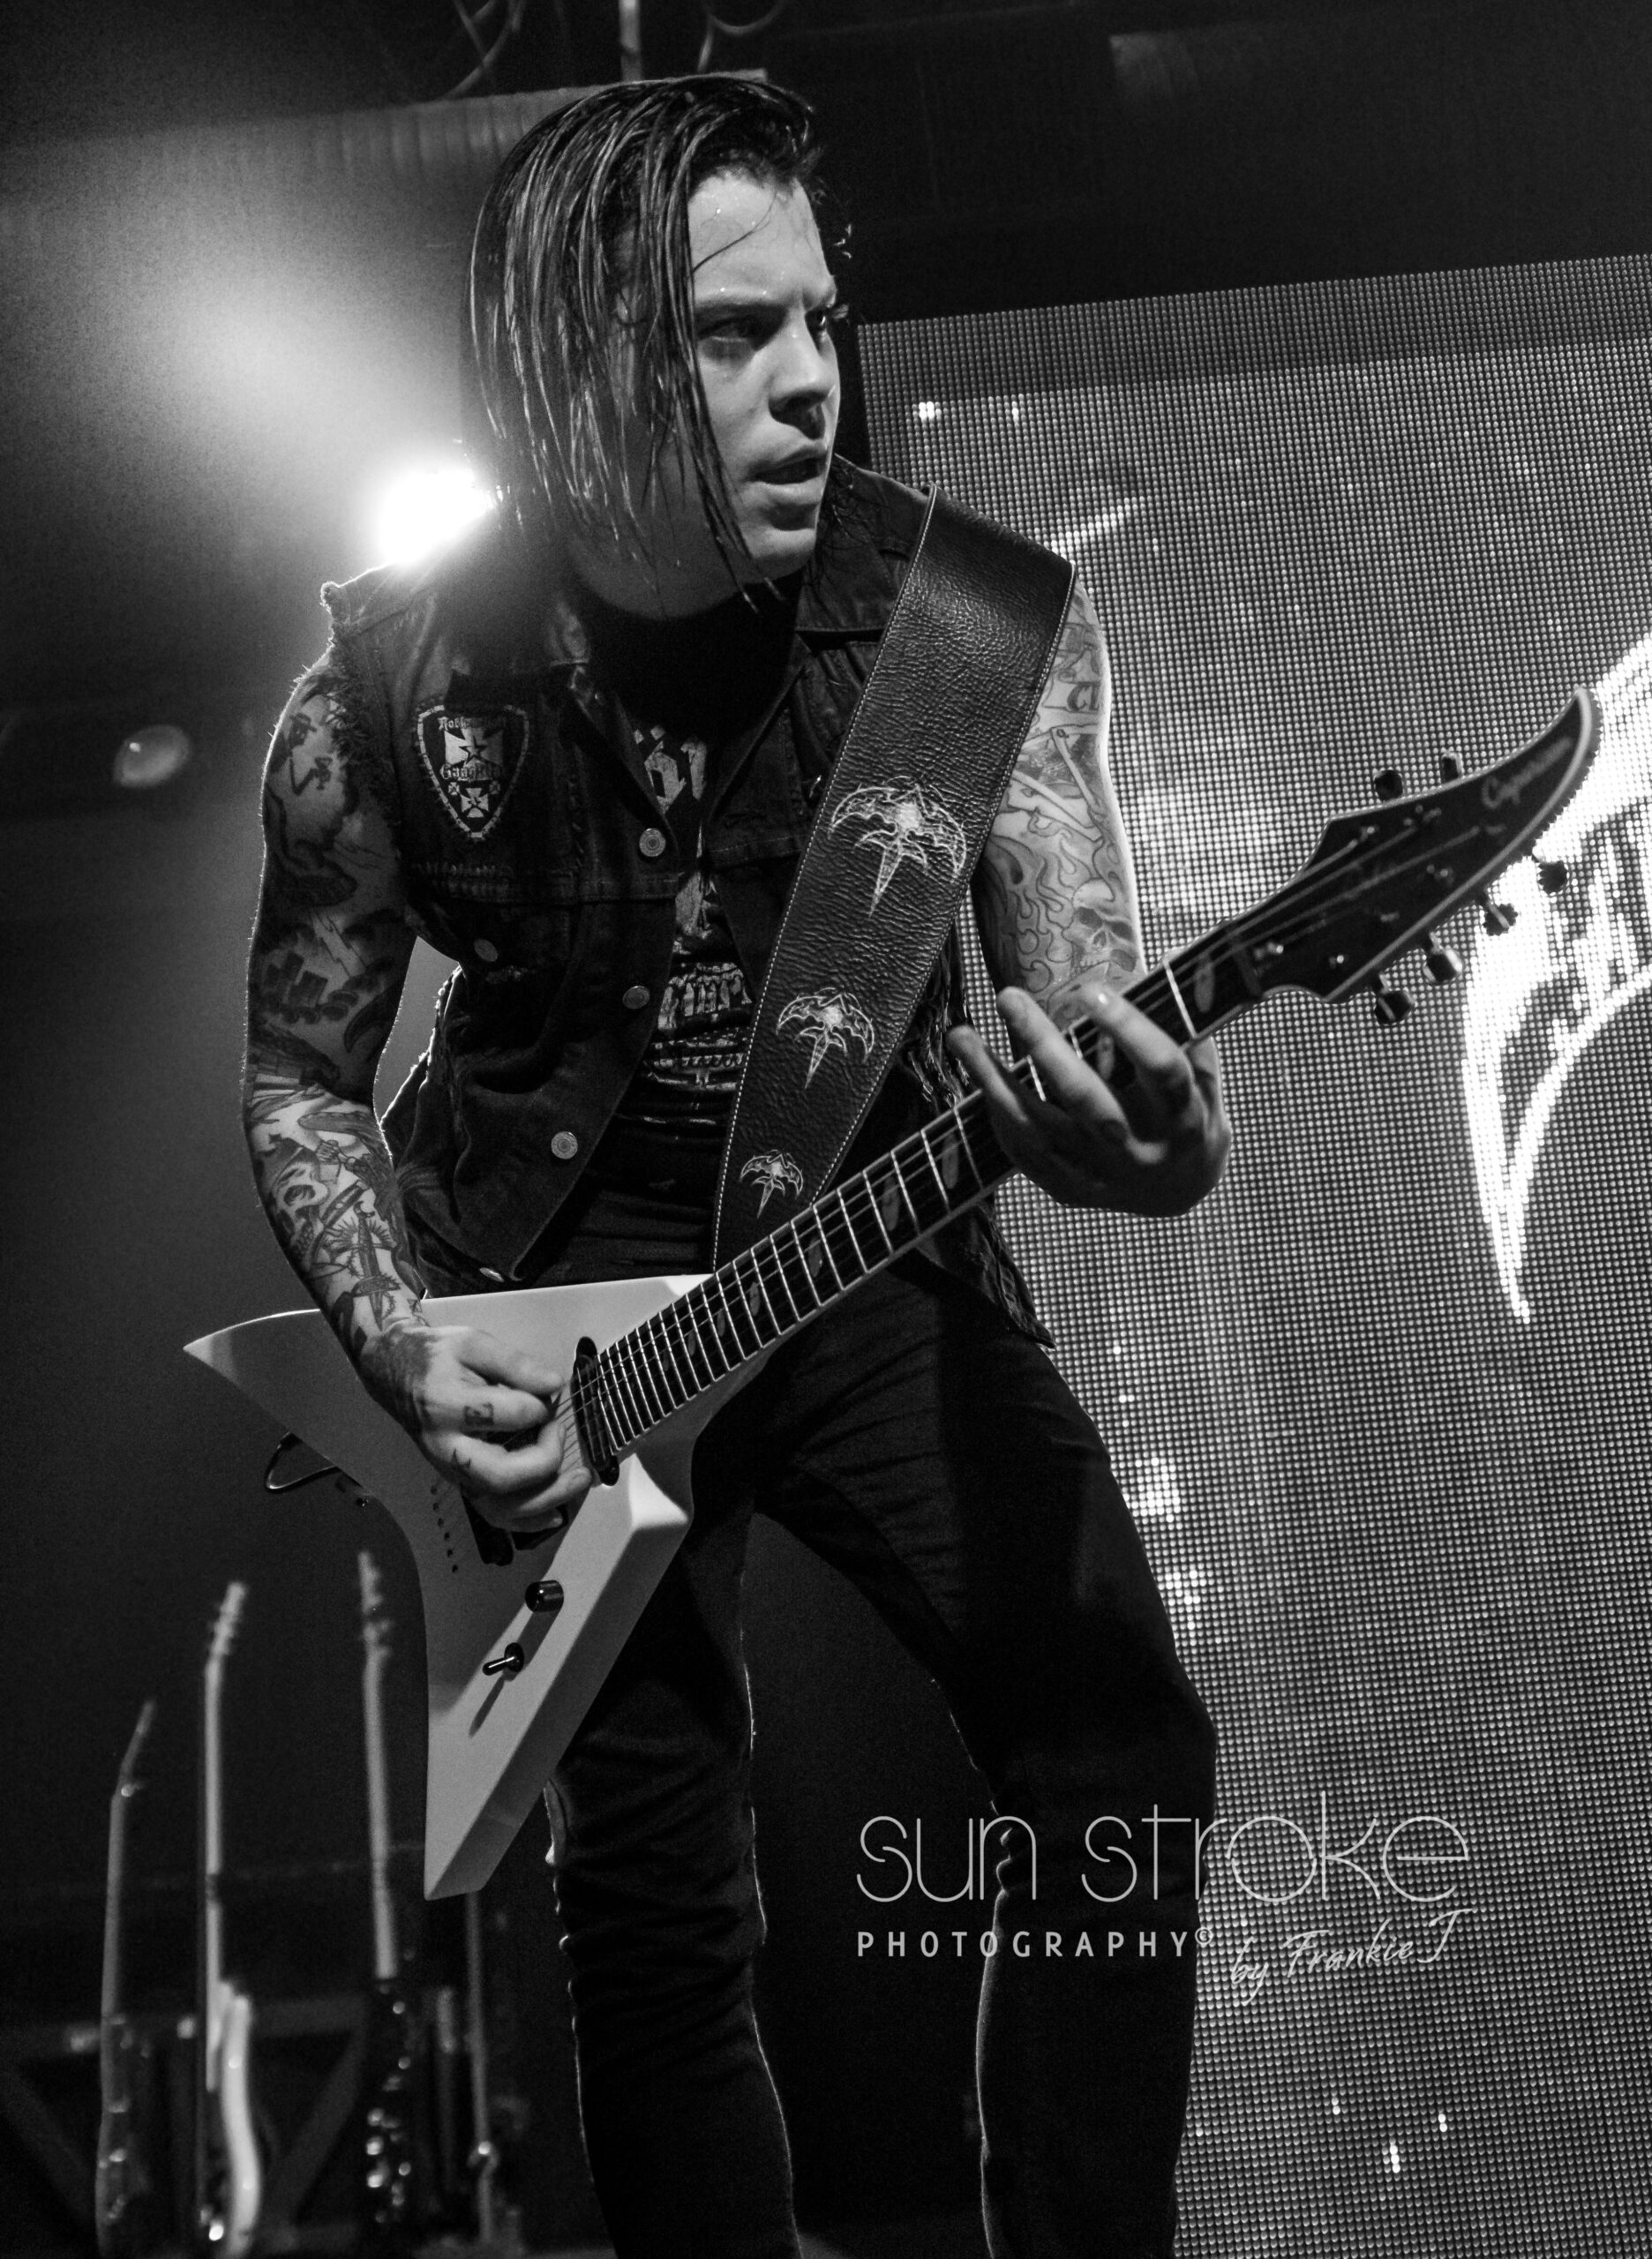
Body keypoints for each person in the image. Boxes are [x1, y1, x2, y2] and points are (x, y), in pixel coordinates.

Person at [242, 76, 1230, 2259]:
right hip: (550, 1296)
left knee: (1118, 1744)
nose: (811, 379)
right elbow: (304, 1075)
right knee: (658, 1900)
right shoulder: (384, 692)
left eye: (818, 319)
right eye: (728, 332)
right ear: (575, 365)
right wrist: (406, 1348)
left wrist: (1154, 1143)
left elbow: (1091, 1024)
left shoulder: (975, 629)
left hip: (869, 1237)